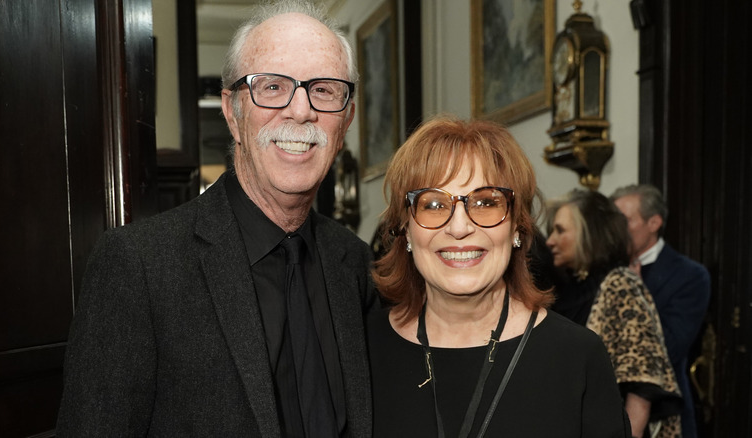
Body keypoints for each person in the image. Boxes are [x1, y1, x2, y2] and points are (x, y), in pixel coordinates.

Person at [57, 1, 377, 436]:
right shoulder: (139, 266)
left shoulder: (355, 265)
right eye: (272, 87)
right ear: (232, 111)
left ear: (347, 119)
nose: (301, 111)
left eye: (323, 90)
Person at [367, 116, 630, 437]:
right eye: (434, 204)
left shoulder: (577, 357)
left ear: (517, 227)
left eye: (486, 202)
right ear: (405, 230)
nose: (460, 227)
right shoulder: (362, 351)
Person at [546, 189, 682, 438]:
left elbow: (642, 387)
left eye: (561, 230)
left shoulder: (620, 283)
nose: (550, 241)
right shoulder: (565, 291)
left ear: (589, 233)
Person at [610, 184, 711, 438]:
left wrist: (635, 293)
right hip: (607, 409)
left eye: (625, 221)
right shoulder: (605, 268)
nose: (616, 231)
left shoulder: (690, 275)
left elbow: (670, 347)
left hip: (662, 414)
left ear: (654, 222)